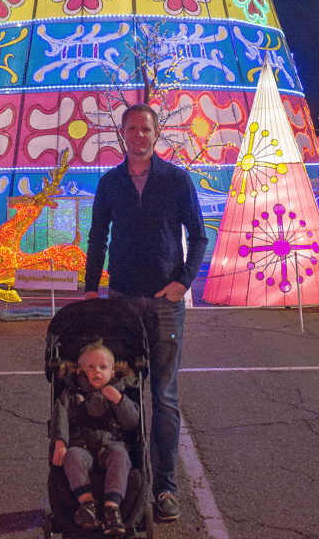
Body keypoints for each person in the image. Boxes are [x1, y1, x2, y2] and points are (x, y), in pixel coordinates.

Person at [84, 104, 207, 523]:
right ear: (123, 133)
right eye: (132, 129)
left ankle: (166, 489)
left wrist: (183, 282)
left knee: (165, 397)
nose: (139, 135)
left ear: (157, 133)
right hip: (120, 302)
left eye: (146, 129)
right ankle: (129, 487)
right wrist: (89, 288)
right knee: (125, 396)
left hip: (164, 304)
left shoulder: (176, 180)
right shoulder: (110, 182)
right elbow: (98, 235)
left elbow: (200, 236)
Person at [51, 341, 139, 536]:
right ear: (80, 372)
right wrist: (60, 443)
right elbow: (60, 418)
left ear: (113, 373)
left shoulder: (119, 392)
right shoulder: (72, 394)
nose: (96, 372)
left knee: (120, 454)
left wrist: (119, 401)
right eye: (90, 367)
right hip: (81, 448)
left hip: (110, 446)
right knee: (72, 455)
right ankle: (87, 504)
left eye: (103, 367)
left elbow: (132, 422)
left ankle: (111, 508)